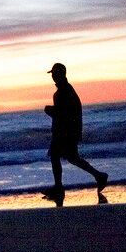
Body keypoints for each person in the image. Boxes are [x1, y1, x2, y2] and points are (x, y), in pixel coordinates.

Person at [42, 63, 108, 206]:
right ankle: (99, 176)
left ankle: (59, 188)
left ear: (61, 74)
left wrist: (50, 111)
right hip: (67, 131)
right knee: (72, 158)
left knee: (59, 157)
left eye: (54, 73)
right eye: (52, 73)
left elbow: (64, 113)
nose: (53, 76)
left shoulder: (63, 92)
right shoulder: (63, 91)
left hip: (65, 132)